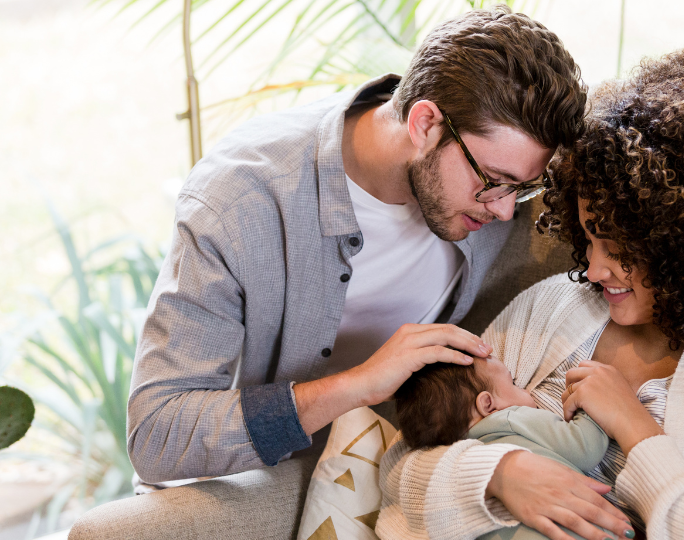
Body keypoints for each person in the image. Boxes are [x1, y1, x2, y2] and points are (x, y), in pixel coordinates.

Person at [376, 49, 684, 540]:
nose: (593, 270)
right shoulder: (554, 306)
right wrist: (501, 475)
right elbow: (402, 462)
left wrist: (636, 429)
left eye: (618, 249)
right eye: (589, 238)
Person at [125, 6, 590, 485]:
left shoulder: (490, 185)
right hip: (248, 487)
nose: (505, 211)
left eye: (522, 188)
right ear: (425, 123)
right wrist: (359, 385)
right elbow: (157, 434)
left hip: (396, 479)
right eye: (494, 181)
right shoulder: (243, 202)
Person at [393, 356, 613, 540]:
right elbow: (585, 447)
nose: (526, 389)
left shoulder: (459, 466)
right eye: (514, 382)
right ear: (488, 404)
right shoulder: (510, 418)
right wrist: (592, 399)